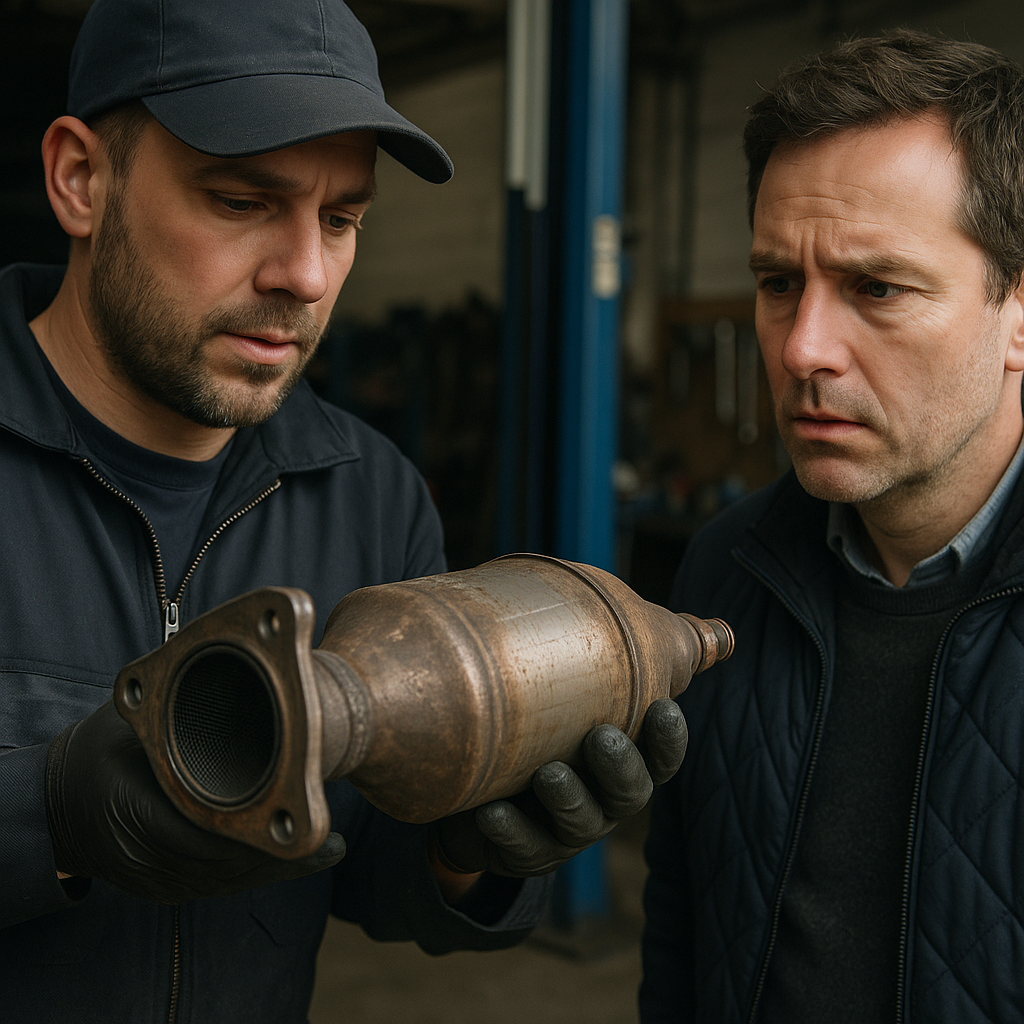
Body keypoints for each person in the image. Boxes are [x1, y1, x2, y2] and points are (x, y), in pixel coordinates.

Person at [0, 0, 689, 1020]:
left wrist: (469, 852)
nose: (307, 276)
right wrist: (46, 813)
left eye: (342, 218)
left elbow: (368, 870)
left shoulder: (369, 491)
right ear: (80, 179)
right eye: (240, 201)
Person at [640, 29, 1024, 1024]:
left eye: (876, 287)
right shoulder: (726, 571)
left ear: (1017, 311)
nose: (803, 347)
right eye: (777, 284)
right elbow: (684, 930)